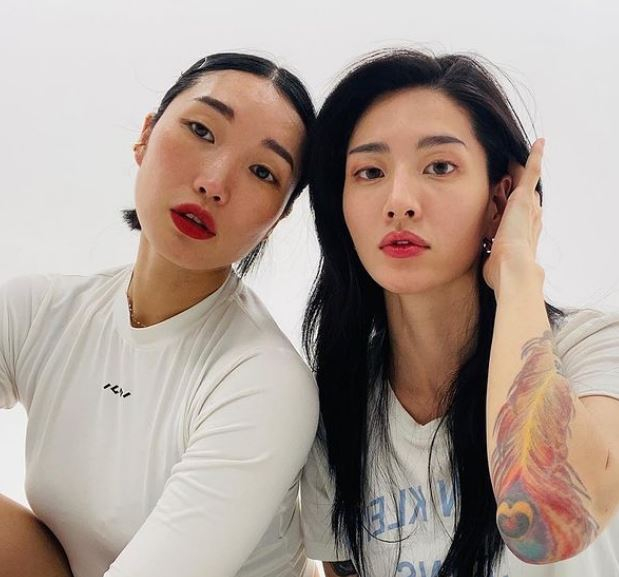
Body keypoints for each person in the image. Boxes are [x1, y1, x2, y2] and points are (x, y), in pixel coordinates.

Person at [300, 49, 619, 577]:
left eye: (440, 167)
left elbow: (548, 523)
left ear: (500, 200)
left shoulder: (593, 351)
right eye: (370, 171)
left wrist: (516, 271)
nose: (399, 201)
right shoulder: (337, 404)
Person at [0, 52, 319, 577]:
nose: (214, 183)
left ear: (278, 218)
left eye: (262, 171)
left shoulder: (263, 382)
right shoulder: (38, 313)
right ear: (145, 136)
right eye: (201, 130)